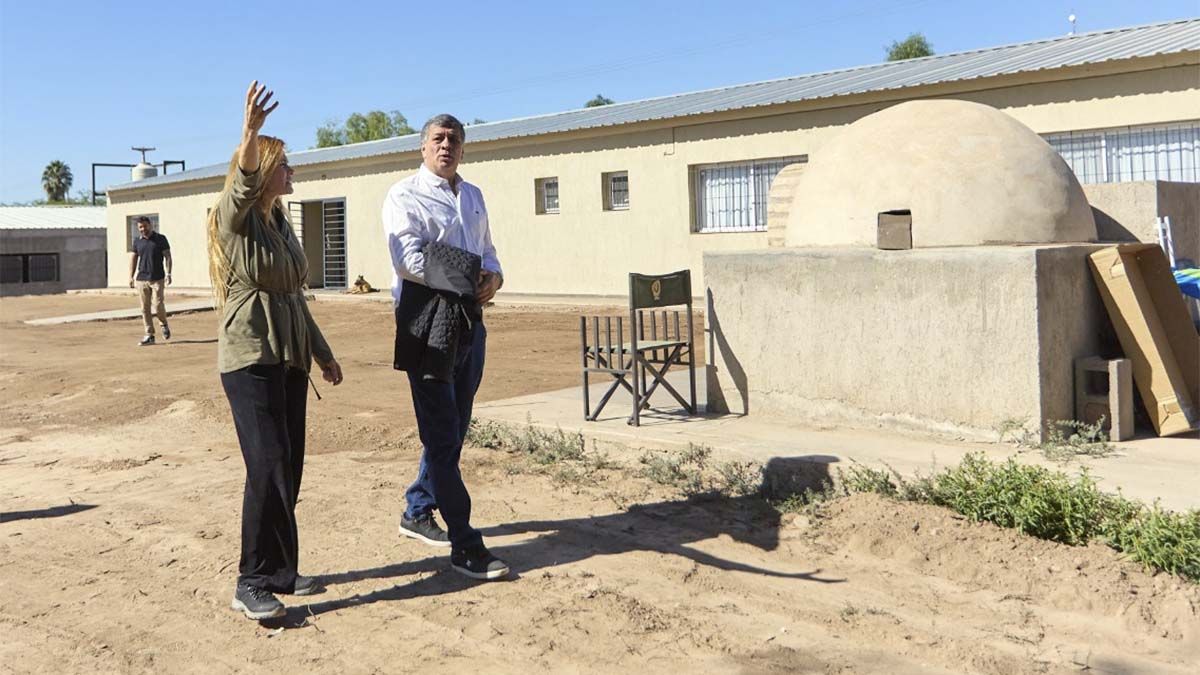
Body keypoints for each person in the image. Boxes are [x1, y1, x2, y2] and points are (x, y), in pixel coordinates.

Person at [207, 81, 344, 620]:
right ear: (264, 169)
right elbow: (239, 188)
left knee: (288, 465)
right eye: (285, 165)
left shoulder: (280, 223)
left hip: (288, 357)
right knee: (265, 465)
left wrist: (323, 353)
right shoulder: (235, 218)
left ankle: (282, 571)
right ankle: (251, 579)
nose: (293, 173)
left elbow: (295, 297)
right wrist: (249, 133)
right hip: (249, 359)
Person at [383, 113, 508, 581]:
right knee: (440, 431)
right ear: (422, 147)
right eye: (438, 138)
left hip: (469, 322)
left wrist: (492, 278)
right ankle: (464, 541)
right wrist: (468, 275)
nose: (447, 145)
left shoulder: (472, 196)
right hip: (426, 322)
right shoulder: (403, 195)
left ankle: (418, 507)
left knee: (454, 427)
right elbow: (408, 259)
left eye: (455, 139)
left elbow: (488, 251)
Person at [128, 216, 172, 346]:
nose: (143, 229)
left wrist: (169, 273)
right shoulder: (137, 242)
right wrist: (130, 276)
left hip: (157, 278)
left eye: (145, 226)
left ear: (150, 225)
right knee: (144, 308)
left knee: (158, 305)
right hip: (142, 278)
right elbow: (133, 259)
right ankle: (149, 334)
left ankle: (163, 324)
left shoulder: (160, 239)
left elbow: (168, 257)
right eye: (140, 227)